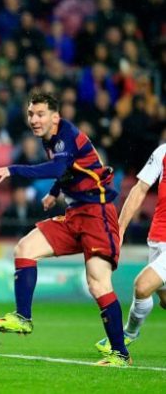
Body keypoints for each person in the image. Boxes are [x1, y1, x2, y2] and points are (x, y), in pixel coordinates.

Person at [0, 92, 131, 367]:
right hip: (75, 214)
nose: (34, 120)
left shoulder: (65, 135)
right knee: (25, 248)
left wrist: (13, 169)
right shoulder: (50, 138)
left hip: (97, 214)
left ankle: (120, 354)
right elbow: (68, 171)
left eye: (40, 114)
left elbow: (58, 166)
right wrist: (54, 193)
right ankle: (22, 318)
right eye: (30, 114)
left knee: (97, 281)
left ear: (55, 116)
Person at [95, 144, 166, 354]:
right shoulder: (162, 152)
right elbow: (140, 188)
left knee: (142, 286)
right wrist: (120, 227)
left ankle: (127, 335)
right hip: (158, 239)